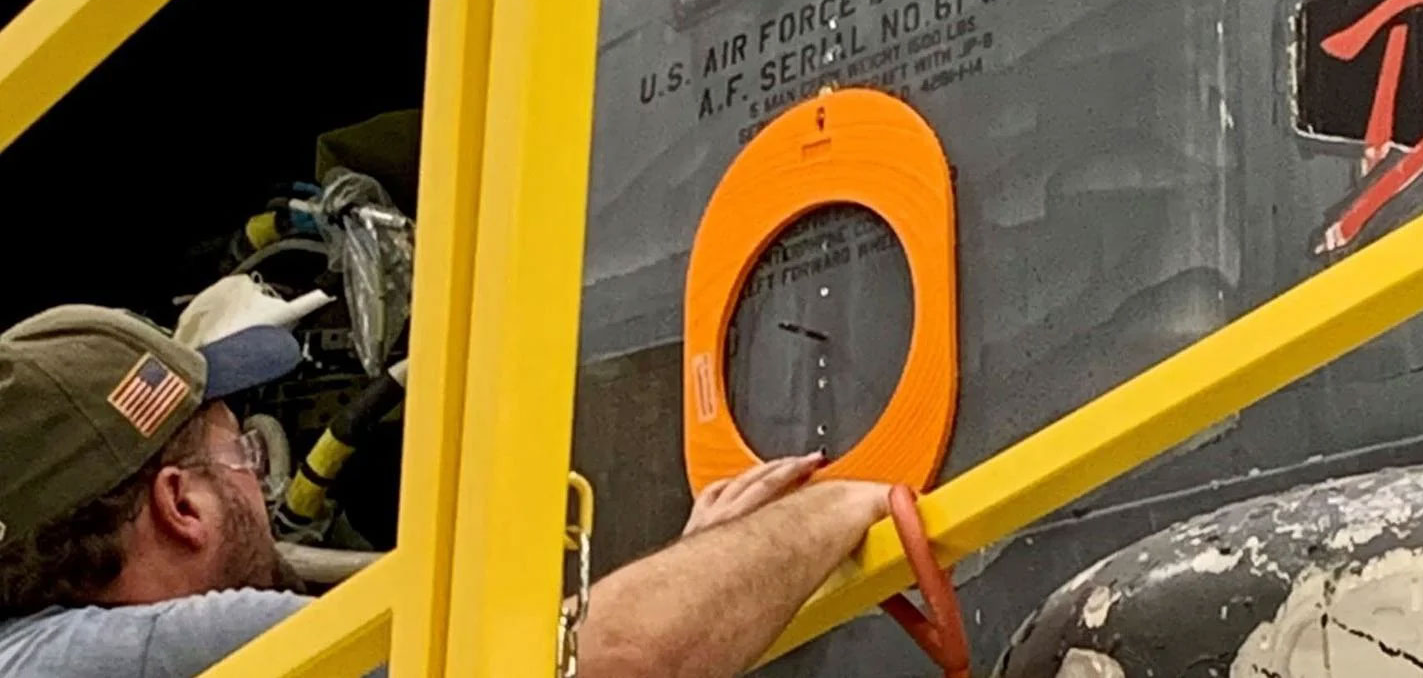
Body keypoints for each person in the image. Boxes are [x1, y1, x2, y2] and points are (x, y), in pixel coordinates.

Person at [0, 306, 888, 677]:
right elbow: (591, 664)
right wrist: (834, 507)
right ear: (179, 506)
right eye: (246, 463)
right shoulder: (176, 654)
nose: (264, 493)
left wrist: (702, 574)